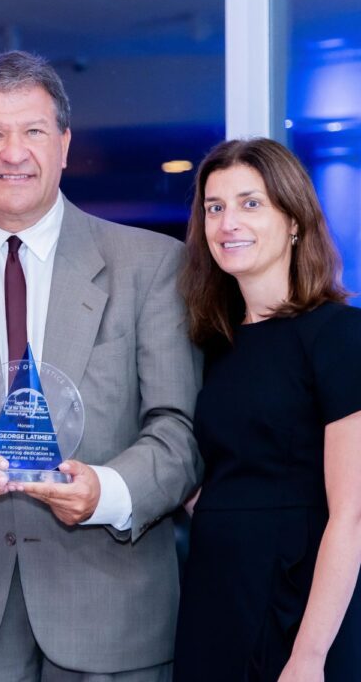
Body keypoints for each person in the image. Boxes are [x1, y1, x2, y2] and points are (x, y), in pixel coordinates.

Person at [0, 50, 201, 681]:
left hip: (112, 612)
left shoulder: (152, 265)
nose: (13, 153)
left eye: (31, 131)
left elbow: (177, 430)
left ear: (64, 143)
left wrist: (104, 493)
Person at [173, 138, 361, 682]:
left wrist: (308, 656)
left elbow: (351, 514)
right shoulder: (211, 346)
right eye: (215, 207)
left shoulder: (340, 335)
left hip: (304, 605)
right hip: (216, 593)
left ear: (294, 219)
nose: (228, 222)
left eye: (250, 203)